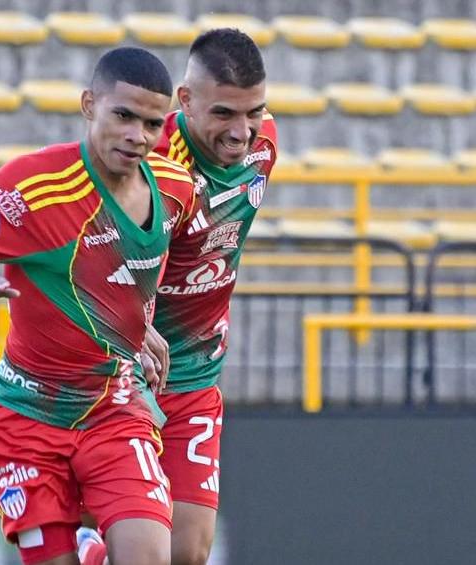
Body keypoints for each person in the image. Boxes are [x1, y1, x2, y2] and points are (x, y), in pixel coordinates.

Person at [0, 46, 196, 565]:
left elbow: (124, 271)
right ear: (90, 104)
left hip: (113, 408)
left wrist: (138, 324)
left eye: (153, 124)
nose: (138, 136)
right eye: (124, 116)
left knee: (152, 556)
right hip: (25, 420)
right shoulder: (34, 187)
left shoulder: (176, 188)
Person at [78, 28, 279, 565]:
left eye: (254, 112)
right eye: (223, 116)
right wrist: (132, 323)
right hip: (124, 373)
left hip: (198, 375)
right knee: (141, 548)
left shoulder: (265, 146)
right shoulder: (148, 164)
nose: (242, 133)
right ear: (184, 102)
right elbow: (89, 256)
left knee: (188, 552)